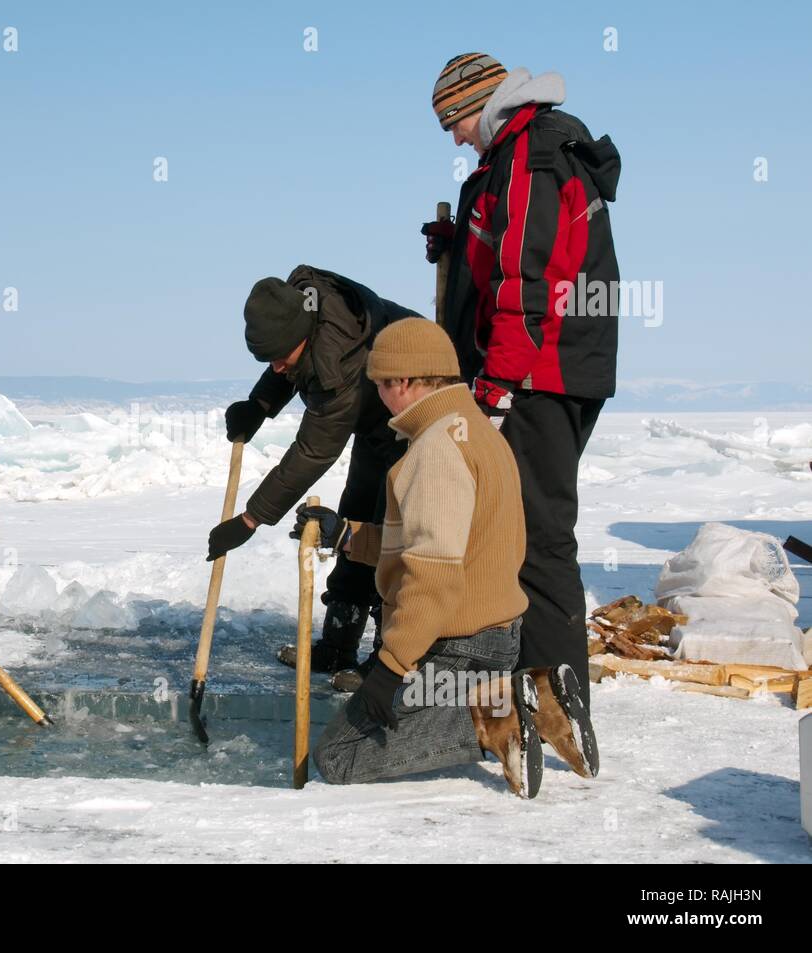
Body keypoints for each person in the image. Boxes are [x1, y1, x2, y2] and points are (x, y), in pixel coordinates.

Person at [306, 319, 598, 796]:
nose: (378, 396)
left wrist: (390, 668)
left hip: (456, 649)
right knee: (354, 735)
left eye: (380, 384)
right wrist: (347, 536)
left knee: (338, 756)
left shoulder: (436, 450)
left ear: (403, 381)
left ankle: (492, 715)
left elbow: (431, 577)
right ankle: (540, 696)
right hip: (494, 638)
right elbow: (437, 543)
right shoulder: (474, 431)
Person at [424, 53, 621, 706]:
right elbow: (507, 248)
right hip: (560, 367)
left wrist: (497, 385)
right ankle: (530, 688)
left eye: (454, 120)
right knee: (524, 532)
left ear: (481, 103)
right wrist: (459, 240)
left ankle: (557, 701)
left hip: (542, 370)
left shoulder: (530, 155)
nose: (453, 136)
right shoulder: (519, 153)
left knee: (536, 538)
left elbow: (526, 282)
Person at [208, 265, 420, 680]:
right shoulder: (299, 305)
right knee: (356, 510)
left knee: (384, 533)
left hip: (417, 421)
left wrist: (251, 519)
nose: (277, 368)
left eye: (278, 359)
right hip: (377, 421)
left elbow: (312, 452)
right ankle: (338, 647)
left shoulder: (336, 364)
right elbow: (290, 361)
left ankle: (387, 661)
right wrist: (260, 406)